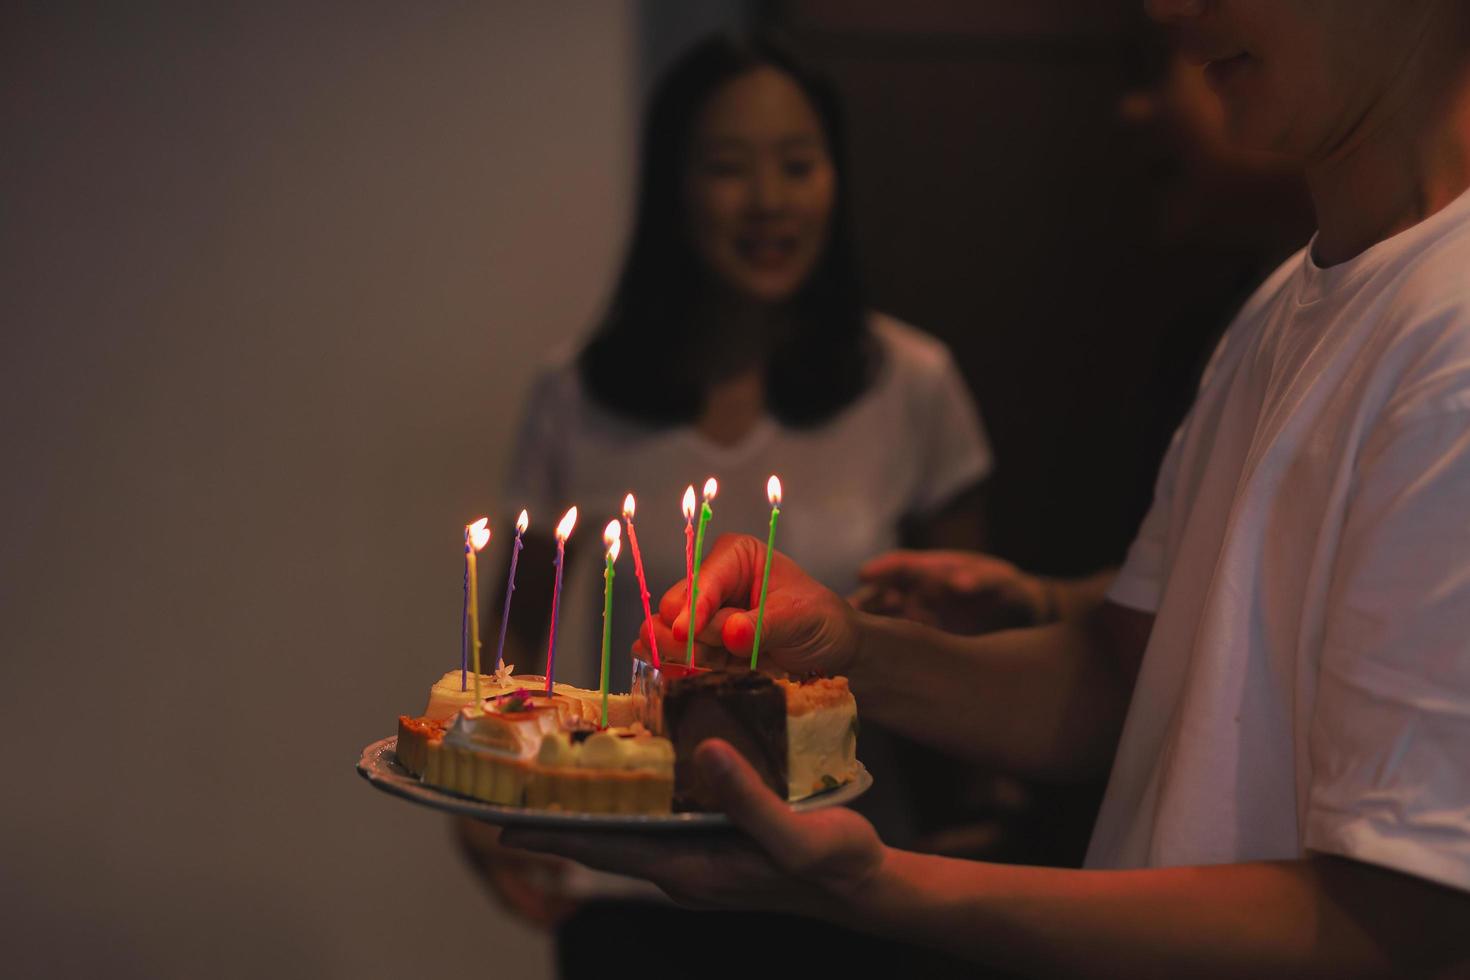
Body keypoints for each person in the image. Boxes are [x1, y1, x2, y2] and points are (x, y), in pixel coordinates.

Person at [503, 1, 1470, 974]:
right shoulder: (1277, 312)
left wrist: (875, 883)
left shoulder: (1454, 337)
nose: (1169, 9)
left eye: (797, 163)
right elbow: (1118, 681)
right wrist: (851, 645)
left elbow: (1394, 920)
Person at [463, 33, 1020, 973]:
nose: (769, 200)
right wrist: (480, 797)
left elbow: (962, 638)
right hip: (631, 876)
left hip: (848, 871)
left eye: (798, 165)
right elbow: (512, 645)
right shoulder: (577, 394)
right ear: (673, 188)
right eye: (728, 168)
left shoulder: (912, 384)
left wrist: (987, 808)